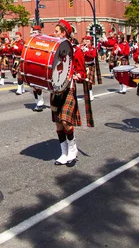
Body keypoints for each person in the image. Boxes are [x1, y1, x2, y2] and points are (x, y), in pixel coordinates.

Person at [52, 20, 86, 166]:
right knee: (58, 124)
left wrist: (79, 75)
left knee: (66, 122)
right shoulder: (53, 49)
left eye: (57, 31)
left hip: (69, 88)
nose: (55, 34)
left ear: (64, 33)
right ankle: (63, 153)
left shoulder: (75, 50)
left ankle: (73, 150)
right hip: (56, 89)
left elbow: (82, 71)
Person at [30, 25, 46, 112]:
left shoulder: (43, 40)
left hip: (40, 64)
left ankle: (40, 102)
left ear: (39, 33)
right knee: (33, 86)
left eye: (35, 32)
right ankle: (37, 102)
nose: (33, 34)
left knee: (38, 85)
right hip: (31, 64)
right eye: (33, 32)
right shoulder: (31, 40)